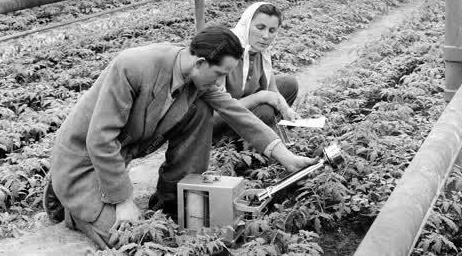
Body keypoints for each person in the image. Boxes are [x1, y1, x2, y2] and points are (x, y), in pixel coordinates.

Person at [44, 25, 314, 250]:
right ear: (200, 62)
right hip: (83, 158)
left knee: (200, 109)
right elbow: (100, 139)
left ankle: (172, 200)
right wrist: (122, 201)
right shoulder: (133, 66)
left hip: (119, 155)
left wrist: (286, 157)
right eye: (220, 74)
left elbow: (236, 113)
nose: (221, 82)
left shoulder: (197, 79)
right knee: (130, 239)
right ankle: (68, 202)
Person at [211, 3, 298, 143]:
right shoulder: (226, 51)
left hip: (242, 107)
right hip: (218, 120)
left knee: (288, 83)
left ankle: (266, 133)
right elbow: (218, 110)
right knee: (265, 112)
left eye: (272, 30)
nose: (266, 36)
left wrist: (286, 110)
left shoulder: (261, 52)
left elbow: (272, 90)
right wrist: (260, 97)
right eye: (260, 27)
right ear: (247, 25)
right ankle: (228, 142)